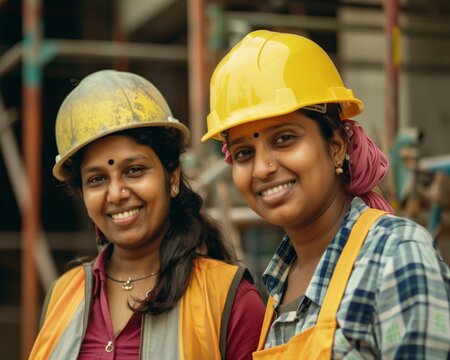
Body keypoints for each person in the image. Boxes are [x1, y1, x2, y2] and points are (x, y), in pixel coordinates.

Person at [201, 30, 450, 359]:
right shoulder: (278, 283)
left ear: (336, 146)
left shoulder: (395, 255)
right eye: (245, 153)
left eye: (284, 138)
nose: (262, 168)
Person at [29, 70, 265, 360]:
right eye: (97, 179)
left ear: (172, 178)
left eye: (134, 170)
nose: (116, 193)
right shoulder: (62, 296)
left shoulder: (230, 298)